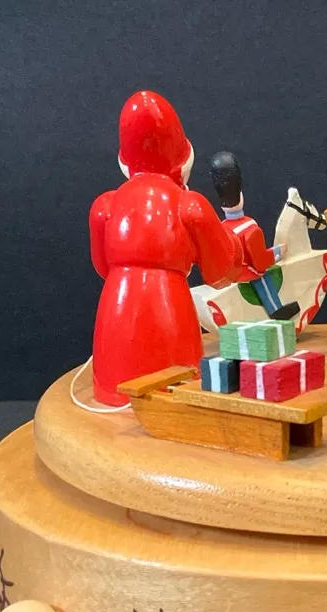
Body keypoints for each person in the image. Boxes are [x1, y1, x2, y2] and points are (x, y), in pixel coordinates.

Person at [87, 92, 241, 406]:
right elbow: (221, 270)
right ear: (184, 159)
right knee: (176, 390)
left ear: (124, 161)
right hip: (169, 312)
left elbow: (102, 267)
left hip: (116, 310)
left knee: (115, 380)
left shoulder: (106, 205)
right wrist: (235, 238)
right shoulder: (189, 205)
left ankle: (112, 392)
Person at [208, 151, 300, 321]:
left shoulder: (222, 227)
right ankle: (275, 309)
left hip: (228, 274)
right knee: (262, 277)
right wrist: (278, 252)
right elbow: (260, 262)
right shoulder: (250, 227)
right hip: (245, 273)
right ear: (241, 195)